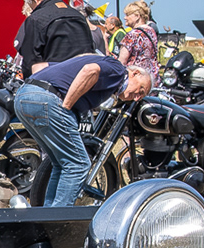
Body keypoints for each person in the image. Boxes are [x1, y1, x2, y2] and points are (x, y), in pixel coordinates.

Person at [14, 54, 151, 207]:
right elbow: (89, 70)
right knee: (78, 164)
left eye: (141, 96)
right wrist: (66, 106)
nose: (137, 98)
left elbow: (39, 67)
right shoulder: (118, 70)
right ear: (135, 73)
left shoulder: (101, 64)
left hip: (24, 96)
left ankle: (47, 217)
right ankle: (57, 223)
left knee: (60, 163)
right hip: (47, 99)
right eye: (141, 90)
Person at [14, 0, 97, 77]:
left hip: (55, 78)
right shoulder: (77, 15)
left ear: (34, 0)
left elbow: (31, 58)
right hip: (83, 75)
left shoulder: (36, 18)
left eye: (30, 5)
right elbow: (90, 46)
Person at [113, 1, 161, 90]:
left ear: (137, 16)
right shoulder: (151, 31)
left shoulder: (133, 34)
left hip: (135, 82)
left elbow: (121, 62)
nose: (124, 18)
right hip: (150, 80)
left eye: (128, 15)